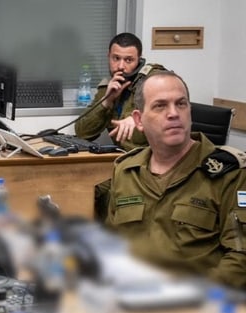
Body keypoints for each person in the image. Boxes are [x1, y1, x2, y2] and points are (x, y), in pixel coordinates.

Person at [105, 70, 246, 289]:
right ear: (139, 120)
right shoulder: (125, 170)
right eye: (160, 106)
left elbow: (240, 257)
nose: (173, 113)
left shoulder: (230, 173)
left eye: (181, 104)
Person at [75, 32, 165, 152]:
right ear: (109, 56)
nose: (120, 66)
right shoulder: (110, 86)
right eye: (116, 58)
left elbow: (171, 117)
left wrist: (140, 119)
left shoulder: (155, 80)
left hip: (152, 159)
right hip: (123, 159)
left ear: (139, 60)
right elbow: (82, 132)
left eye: (128, 60)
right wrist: (106, 102)